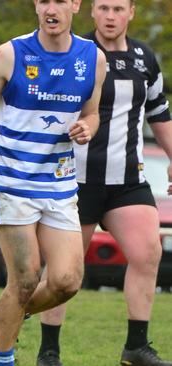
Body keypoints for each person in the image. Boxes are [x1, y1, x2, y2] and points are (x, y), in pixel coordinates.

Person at [0, 0, 106, 365]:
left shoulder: (93, 58)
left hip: (59, 184)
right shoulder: (11, 53)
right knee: (24, 280)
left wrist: (88, 127)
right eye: (43, 1)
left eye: (59, 1)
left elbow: (92, 112)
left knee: (67, 282)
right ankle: (2, 358)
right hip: (12, 183)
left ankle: (3, 314)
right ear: (36, 6)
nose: (50, 8)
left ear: (75, 5)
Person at [36, 1, 172, 365]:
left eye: (118, 8)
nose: (110, 16)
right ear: (91, 13)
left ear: (131, 13)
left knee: (148, 253)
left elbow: (159, 112)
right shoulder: (72, 52)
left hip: (127, 180)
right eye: (103, 8)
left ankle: (136, 347)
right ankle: (48, 351)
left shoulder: (145, 58)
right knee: (64, 273)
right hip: (75, 182)